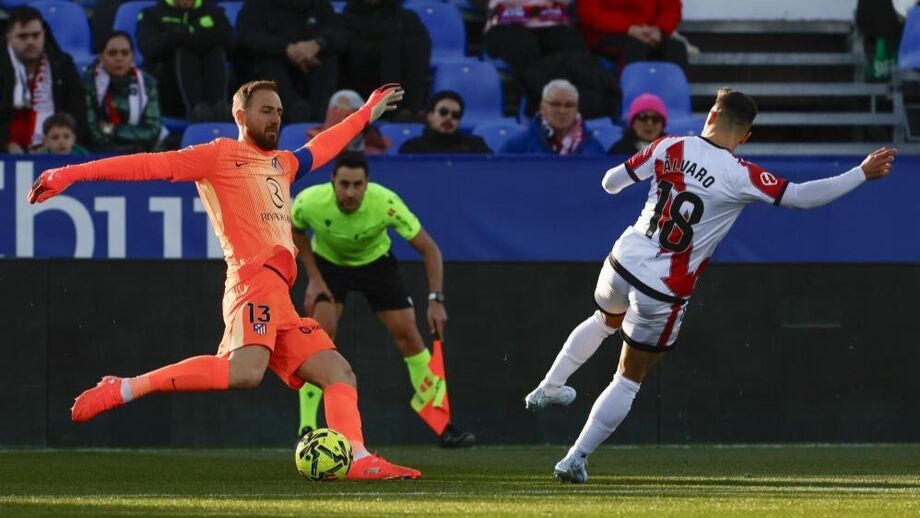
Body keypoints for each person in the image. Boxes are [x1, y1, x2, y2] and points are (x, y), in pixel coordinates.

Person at [27, 80, 422, 480]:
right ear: (240, 115)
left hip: (278, 294)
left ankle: (356, 456)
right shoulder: (217, 156)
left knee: (339, 372)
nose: (275, 119)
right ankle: (125, 387)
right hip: (252, 281)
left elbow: (324, 146)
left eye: (280, 112)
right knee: (245, 372)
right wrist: (71, 173)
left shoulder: (282, 163)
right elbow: (148, 164)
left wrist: (367, 111)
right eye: (266, 110)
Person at [524, 88, 896, 483]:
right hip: (663, 288)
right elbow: (801, 198)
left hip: (621, 262)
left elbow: (610, 184)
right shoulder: (741, 175)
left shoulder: (670, 145)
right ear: (746, 135)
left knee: (604, 319)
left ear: (710, 116)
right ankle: (575, 459)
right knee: (628, 378)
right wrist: (860, 172)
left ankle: (550, 385)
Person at [290, 152, 476, 448]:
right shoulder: (308, 202)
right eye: (344, 184)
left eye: (357, 185)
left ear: (367, 184)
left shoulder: (386, 203)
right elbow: (294, 228)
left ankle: (442, 425)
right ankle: (307, 428)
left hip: (377, 264)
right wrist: (313, 276)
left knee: (409, 336)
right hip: (329, 266)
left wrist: (436, 299)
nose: (350, 192)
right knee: (319, 338)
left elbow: (431, 250)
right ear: (333, 182)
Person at [236, 0, 346, 122]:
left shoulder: (318, 5)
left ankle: (323, 113)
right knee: (266, 61)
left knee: (329, 58)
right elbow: (246, 36)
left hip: (312, 66)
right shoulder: (257, 5)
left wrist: (318, 44)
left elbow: (340, 32)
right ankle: (293, 111)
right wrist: (286, 48)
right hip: (276, 68)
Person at [1, 6, 87, 153]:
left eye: (35, 35)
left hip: (55, 152)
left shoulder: (62, 65)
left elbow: (77, 113)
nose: (30, 41)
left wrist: (54, 144)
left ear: (44, 35)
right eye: (23, 36)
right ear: (9, 38)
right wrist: (5, 144)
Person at [136, 0, 232, 121]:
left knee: (215, 51)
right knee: (184, 52)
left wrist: (184, 34)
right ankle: (196, 109)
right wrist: (186, 33)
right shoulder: (152, 14)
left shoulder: (214, 12)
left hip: (209, 81)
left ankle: (218, 107)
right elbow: (148, 49)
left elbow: (229, 42)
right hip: (169, 89)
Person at [340, 0, 431, 119]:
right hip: (359, 88)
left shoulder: (406, 19)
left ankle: (410, 109)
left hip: (400, 92)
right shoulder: (345, 19)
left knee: (402, 45)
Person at [83, 31, 162, 153]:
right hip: (101, 152)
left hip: (140, 150)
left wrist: (112, 130)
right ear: (101, 57)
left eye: (125, 53)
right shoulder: (89, 82)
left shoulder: (147, 83)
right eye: (112, 53)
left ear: (133, 56)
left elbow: (152, 131)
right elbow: (92, 131)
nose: (119, 58)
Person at [483, 0, 589, 78]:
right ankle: (540, 102)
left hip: (552, 23)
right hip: (505, 24)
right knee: (524, 48)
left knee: (574, 51)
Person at [500, 79, 605, 155]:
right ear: (542, 106)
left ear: (577, 109)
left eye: (569, 105)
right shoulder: (517, 146)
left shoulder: (593, 148)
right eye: (555, 104)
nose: (562, 111)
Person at [577, 0, 687, 71]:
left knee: (676, 48)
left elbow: (672, 8)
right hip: (606, 34)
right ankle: (630, 102)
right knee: (635, 48)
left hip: (648, 33)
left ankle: (672, 103)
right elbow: (588, 12)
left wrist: (659, 30)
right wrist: (629, 28)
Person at [400, 90, 492, 154]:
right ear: (430, 116)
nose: (449, 118)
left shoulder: (476, 147)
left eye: (455, 115)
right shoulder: (412, 148)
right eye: (443, 112)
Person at [306, 90, 392, 155]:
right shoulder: (315, 140)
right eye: (351, 113)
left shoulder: (370, 137)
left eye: (360, 113)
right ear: (334, 113)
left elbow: (384, 147)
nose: (356, 119)